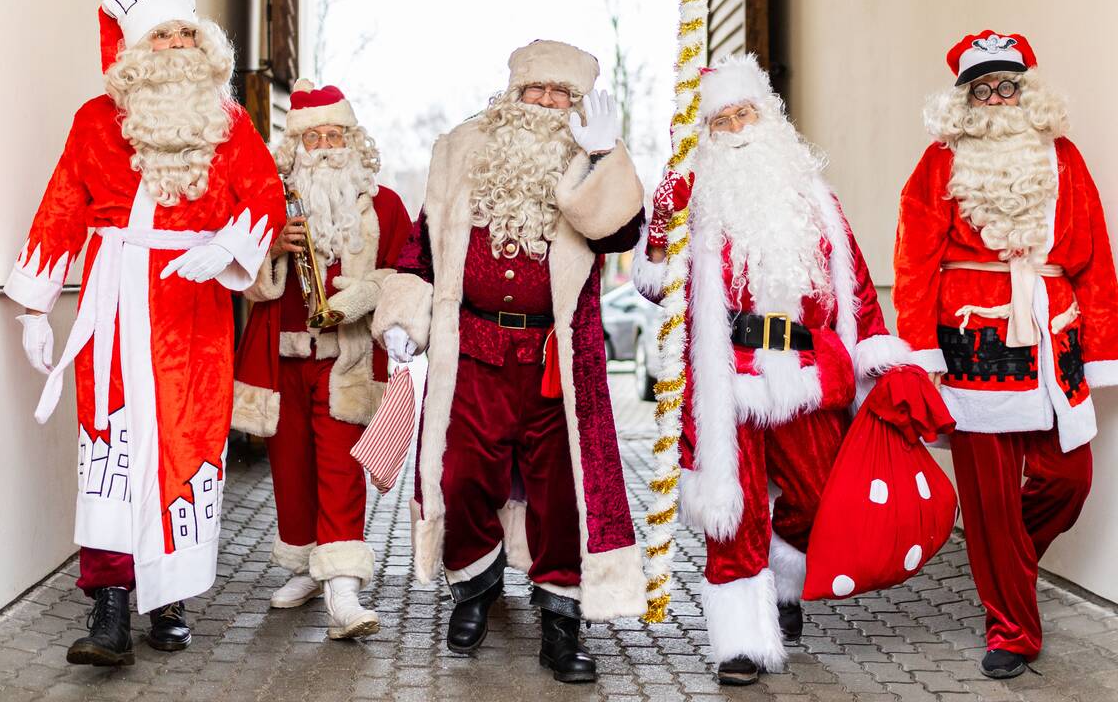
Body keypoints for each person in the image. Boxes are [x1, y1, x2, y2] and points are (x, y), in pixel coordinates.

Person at [5, 0, 284, 666]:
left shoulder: (228, 121)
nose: (176, 47)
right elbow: (63, 206)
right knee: (113, 449)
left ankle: (170, 597)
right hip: (115, 302)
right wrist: (35, 306)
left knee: (182, 450)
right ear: (134, 51)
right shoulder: (95, 121)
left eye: (187, 35)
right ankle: (109, 609)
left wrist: (227, 246)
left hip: (194, 314)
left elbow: (268, 194)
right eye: (161, 36)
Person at [371, 40, 647, 683]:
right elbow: (423, 247)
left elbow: (622, 234)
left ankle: (560, 617)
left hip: (555, 356)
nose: (549, 105)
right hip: (472, 347)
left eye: (563, 95)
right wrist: (405, 319)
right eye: (538, 91)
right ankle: (474, 584)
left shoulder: (589, 156)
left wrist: (606, 157)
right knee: (462, 472)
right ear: (513, 94)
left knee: (563, 491)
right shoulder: (461, 151)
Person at [634, 54, 912, 685]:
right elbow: (656, 289)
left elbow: (857, 287)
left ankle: (785, 578)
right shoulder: (694, 200)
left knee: (820, 498)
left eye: (745, 113)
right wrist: (660, 232)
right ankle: (739, 641)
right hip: (725, 373)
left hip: (808, 369)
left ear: (768, 115)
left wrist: (878, 352)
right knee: (732, 509)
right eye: (721, 121)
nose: (736, 128)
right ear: (705, 135)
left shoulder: (815, 197)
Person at [894, 31, 1118, 679]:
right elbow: (913, 259)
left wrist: (1103, 347)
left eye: (1009, 85)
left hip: (1055, 339)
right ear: (965, 98)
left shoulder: (1063, 156)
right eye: (984, 88)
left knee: (1067, 481)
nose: (998, 98)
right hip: (972, 343)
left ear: (1027, 89)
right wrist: (921, 350)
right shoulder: (940, 161)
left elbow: (1096, 257)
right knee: (988, 497)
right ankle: (1012, 629)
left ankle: (1003, 560)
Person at [231, 81, 411, 638]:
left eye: (336, 135)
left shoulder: (383, 204)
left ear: (353, 141)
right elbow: (245, 284)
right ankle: (309, 568)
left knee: (339, 470)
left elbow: (406, 276)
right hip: (284, 357)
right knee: (291, 470)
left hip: (346, 359)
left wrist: (364, 294)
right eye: (314, 137)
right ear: (296, 147)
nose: (327, 146)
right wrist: (270, 251)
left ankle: (342, 589)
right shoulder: (270, 204)